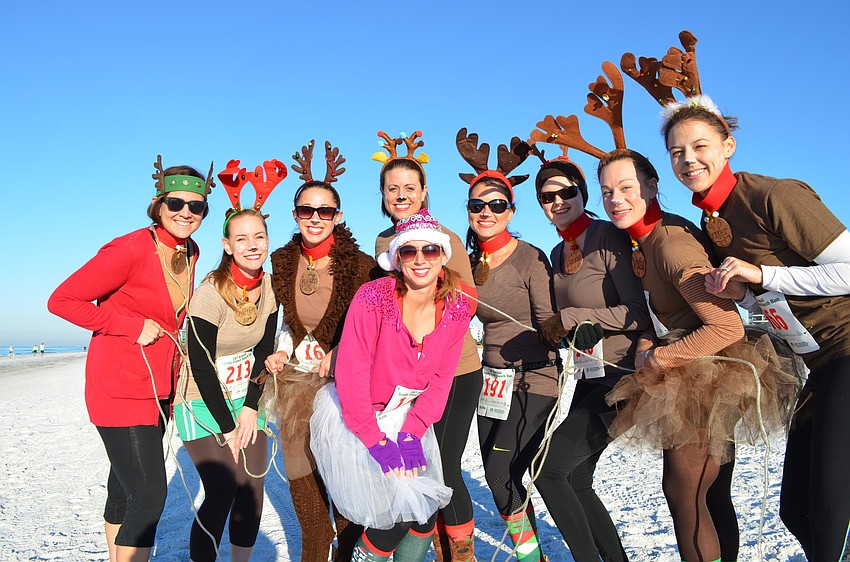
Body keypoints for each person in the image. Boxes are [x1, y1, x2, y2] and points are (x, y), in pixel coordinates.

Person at [659, 95, 850, 562]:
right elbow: (776, 298)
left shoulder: (773, 195)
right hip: (818, 364)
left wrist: (761, 275)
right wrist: (741, 295)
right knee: (795, 513)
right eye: (677, 152)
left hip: (848, 350)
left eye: (700, 146)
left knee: (828, 514)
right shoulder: (712, 219)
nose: (689, 160)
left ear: (729, 146)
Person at [597, 148, 798, 562]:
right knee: (710, 493)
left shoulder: (671, 246)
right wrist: (648, 342)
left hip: (708, 375)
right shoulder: (646, 240)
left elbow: (727, 326)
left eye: (627, 187)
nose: (616, 199)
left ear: (652, 187)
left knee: (684, 494)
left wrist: (658, 360)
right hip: (695, 368)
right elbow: (664, 312)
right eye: (606, 191)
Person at [48, 155, 213, 562]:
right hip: (119, 387)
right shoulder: (129, 248)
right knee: (150, 495)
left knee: (123, 487)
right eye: (175, 204)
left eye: (196, 206)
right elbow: (61, 300)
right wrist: (128, 325)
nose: (185, 213)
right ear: (158, 205)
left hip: (158, 390)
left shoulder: (190, 250)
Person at [310, 209, 475, 562]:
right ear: (396, 258)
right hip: (359, 417)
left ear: (443, 256)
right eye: (409, 251)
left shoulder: (457, 308)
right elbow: (352, 376)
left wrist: (413, 432)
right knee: (394, 518)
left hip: (407, 416)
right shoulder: (374, 298)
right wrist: (376, 440)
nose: (420, 260)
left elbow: (442, 377)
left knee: (425, 513)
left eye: (429, 250)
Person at [263, 140, 378, 562]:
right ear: (295, 215)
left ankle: (347, 551)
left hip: (343, 384)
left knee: (344, 482)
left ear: (338, 216)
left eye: (325, 211)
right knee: (302, 480)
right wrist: (277, 349)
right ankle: (315, 548)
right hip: (293, 385)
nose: (315, 218)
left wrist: (342, 350)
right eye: (306, 211)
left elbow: (377, 324)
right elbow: (275, 319)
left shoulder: (363, 265)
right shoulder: (279, 260)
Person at [532, 155, 649, 562]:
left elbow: (637, 312)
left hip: (623, 377)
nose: (559, 201)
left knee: (548, 470)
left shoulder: (608, 237)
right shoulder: (557, 250)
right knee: (577, 477)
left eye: (568, 191)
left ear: (583, 193)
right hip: (588, 375)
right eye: (548, 196)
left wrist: (572, 317)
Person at [373, 131, 482, 560]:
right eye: (392, 188)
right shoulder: (383, 243)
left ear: (424, 193)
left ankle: (461, 552)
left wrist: (425, 333)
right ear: (382, 195)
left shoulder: (445, 238)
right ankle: (427, 549)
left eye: (409, 188)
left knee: (444, 466)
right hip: (407, 380)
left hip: (454, 372)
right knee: (414, 464)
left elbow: (467, 301)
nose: (401, 195)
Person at [173, 157, 285, 562]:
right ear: (227, 245)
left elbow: (263, 350)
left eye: (259, 237)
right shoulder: (210, 292)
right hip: (200, 402)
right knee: (223, 487)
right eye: (241, 239)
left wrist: (251, 409)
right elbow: (201, 365)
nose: (252, 245)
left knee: (252, 484)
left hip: (245, 400)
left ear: (268, 240)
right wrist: (228, 426)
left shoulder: (271, 288)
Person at [456, 129, 555, 562]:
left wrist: (567, 332)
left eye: (496, 204)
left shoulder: (530, 257)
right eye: (477, 205)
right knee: (502, 482)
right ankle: (533, 552)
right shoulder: (465, 260)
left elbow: (549, 317)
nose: (486, 212)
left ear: (510, 209)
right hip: (489, 382)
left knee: (499, 475)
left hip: (533, 378)